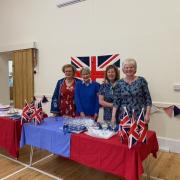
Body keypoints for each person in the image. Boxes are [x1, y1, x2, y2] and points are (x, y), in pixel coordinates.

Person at [111, 58, 152, 124]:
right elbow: (116, 102)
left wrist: (147, 114)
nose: (129, 69)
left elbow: (148, 99)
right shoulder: (119, 83)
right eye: (126, 67)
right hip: (123, 117)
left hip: (139, 116)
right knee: (123, 134)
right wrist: (113, 117)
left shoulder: (141, 81)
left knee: (139, 134)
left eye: (131, 67)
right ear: (123, 70)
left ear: (135, 69)